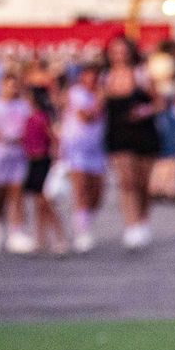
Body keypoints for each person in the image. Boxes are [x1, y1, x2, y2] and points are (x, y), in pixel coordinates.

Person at [103, 35, 162, 250]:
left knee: (142, 183)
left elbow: (159, 102)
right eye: (115, 50)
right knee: (126, 181)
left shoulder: (141, 74)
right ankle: (132, 225)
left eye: (122, 50)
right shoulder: (105, 77)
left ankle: (143, 219)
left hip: (142, 132)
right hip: (118, 133)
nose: (119, 55)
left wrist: (144, 111)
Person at [0, 71, 35, 255]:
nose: (12, 89)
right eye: (8, 84)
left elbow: (30, 126)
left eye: (15, 85)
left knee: (17, 190)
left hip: (18, 152)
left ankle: (17, 230)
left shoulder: (23, 106)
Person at [60, 62, 107, 252]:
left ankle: (86, 220)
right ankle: (82, 231)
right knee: (81, 188)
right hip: (77, 147)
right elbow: (87, 116)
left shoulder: (100, 92)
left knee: (97, 192)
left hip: (96, 148)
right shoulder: (76, 93)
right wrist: (102, 98)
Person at [21, 84, 67, 256]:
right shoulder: (30, 117)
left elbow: (53, 139)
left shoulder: (41, 118)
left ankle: (59, 237)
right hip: (32, 162)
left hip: (43, 162)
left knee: (46, 203)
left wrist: (56, 160)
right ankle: (40, 237)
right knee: (38, 204)